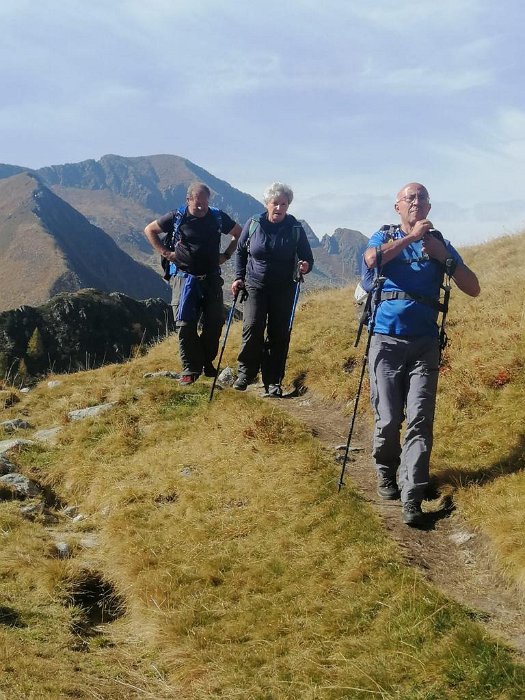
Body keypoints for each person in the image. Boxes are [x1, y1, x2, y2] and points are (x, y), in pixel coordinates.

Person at [363, 183, 480, 526]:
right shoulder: (383, 237)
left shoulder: (439, 243)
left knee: (419, 418)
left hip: (425, 344)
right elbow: (372, 260)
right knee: (387, 418)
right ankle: (387, 471)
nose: (416, 201)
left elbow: (472, 287)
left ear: (430, 205)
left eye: (422, 197)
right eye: (410, 198)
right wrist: (411, 239)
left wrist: (443, 255)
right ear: (397, 206)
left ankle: (412, 495)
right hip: (385, 340)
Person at [144, 182, 241, 385]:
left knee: (214, 323)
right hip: (183, 277)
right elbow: (150, 230)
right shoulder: (176, 216)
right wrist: (166, 253)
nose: (201, 208)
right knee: (185, 324)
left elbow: (238, 234)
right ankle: (190, 368)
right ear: (188, 200)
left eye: (205, 204)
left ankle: (207, 363)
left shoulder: (217, 216)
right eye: (198, 204)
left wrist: (226, 254)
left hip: (211, 278)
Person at [231, 182, 314, 397]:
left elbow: (308, 257)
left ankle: (273, 381)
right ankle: (246, 374)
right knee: (252, 327)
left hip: (283, 288)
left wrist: (305, 265)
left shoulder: (295, 228)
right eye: (275, 203)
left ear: (288, 206)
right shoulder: (254, 223)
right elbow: (240, 252)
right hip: (254, 286)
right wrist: (238, 277)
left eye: (283, 204)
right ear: (267, 203)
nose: (278, 208)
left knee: (278, 334)